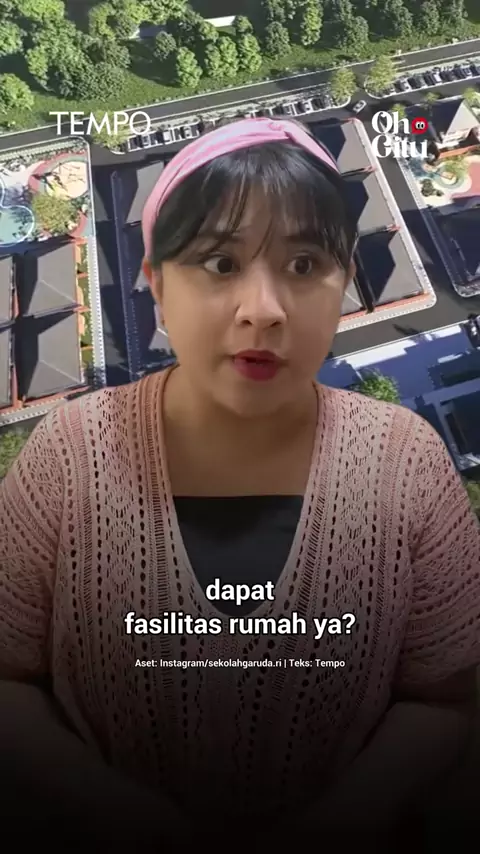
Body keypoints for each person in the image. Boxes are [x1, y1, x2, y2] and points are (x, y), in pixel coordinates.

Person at [0, 117, 479, 851]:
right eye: (221, 263)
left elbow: (445, 694)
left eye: (304, 263)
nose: (264, 309)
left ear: (344, 282)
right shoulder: (68, 455)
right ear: (157, 283)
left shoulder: (406, 462)